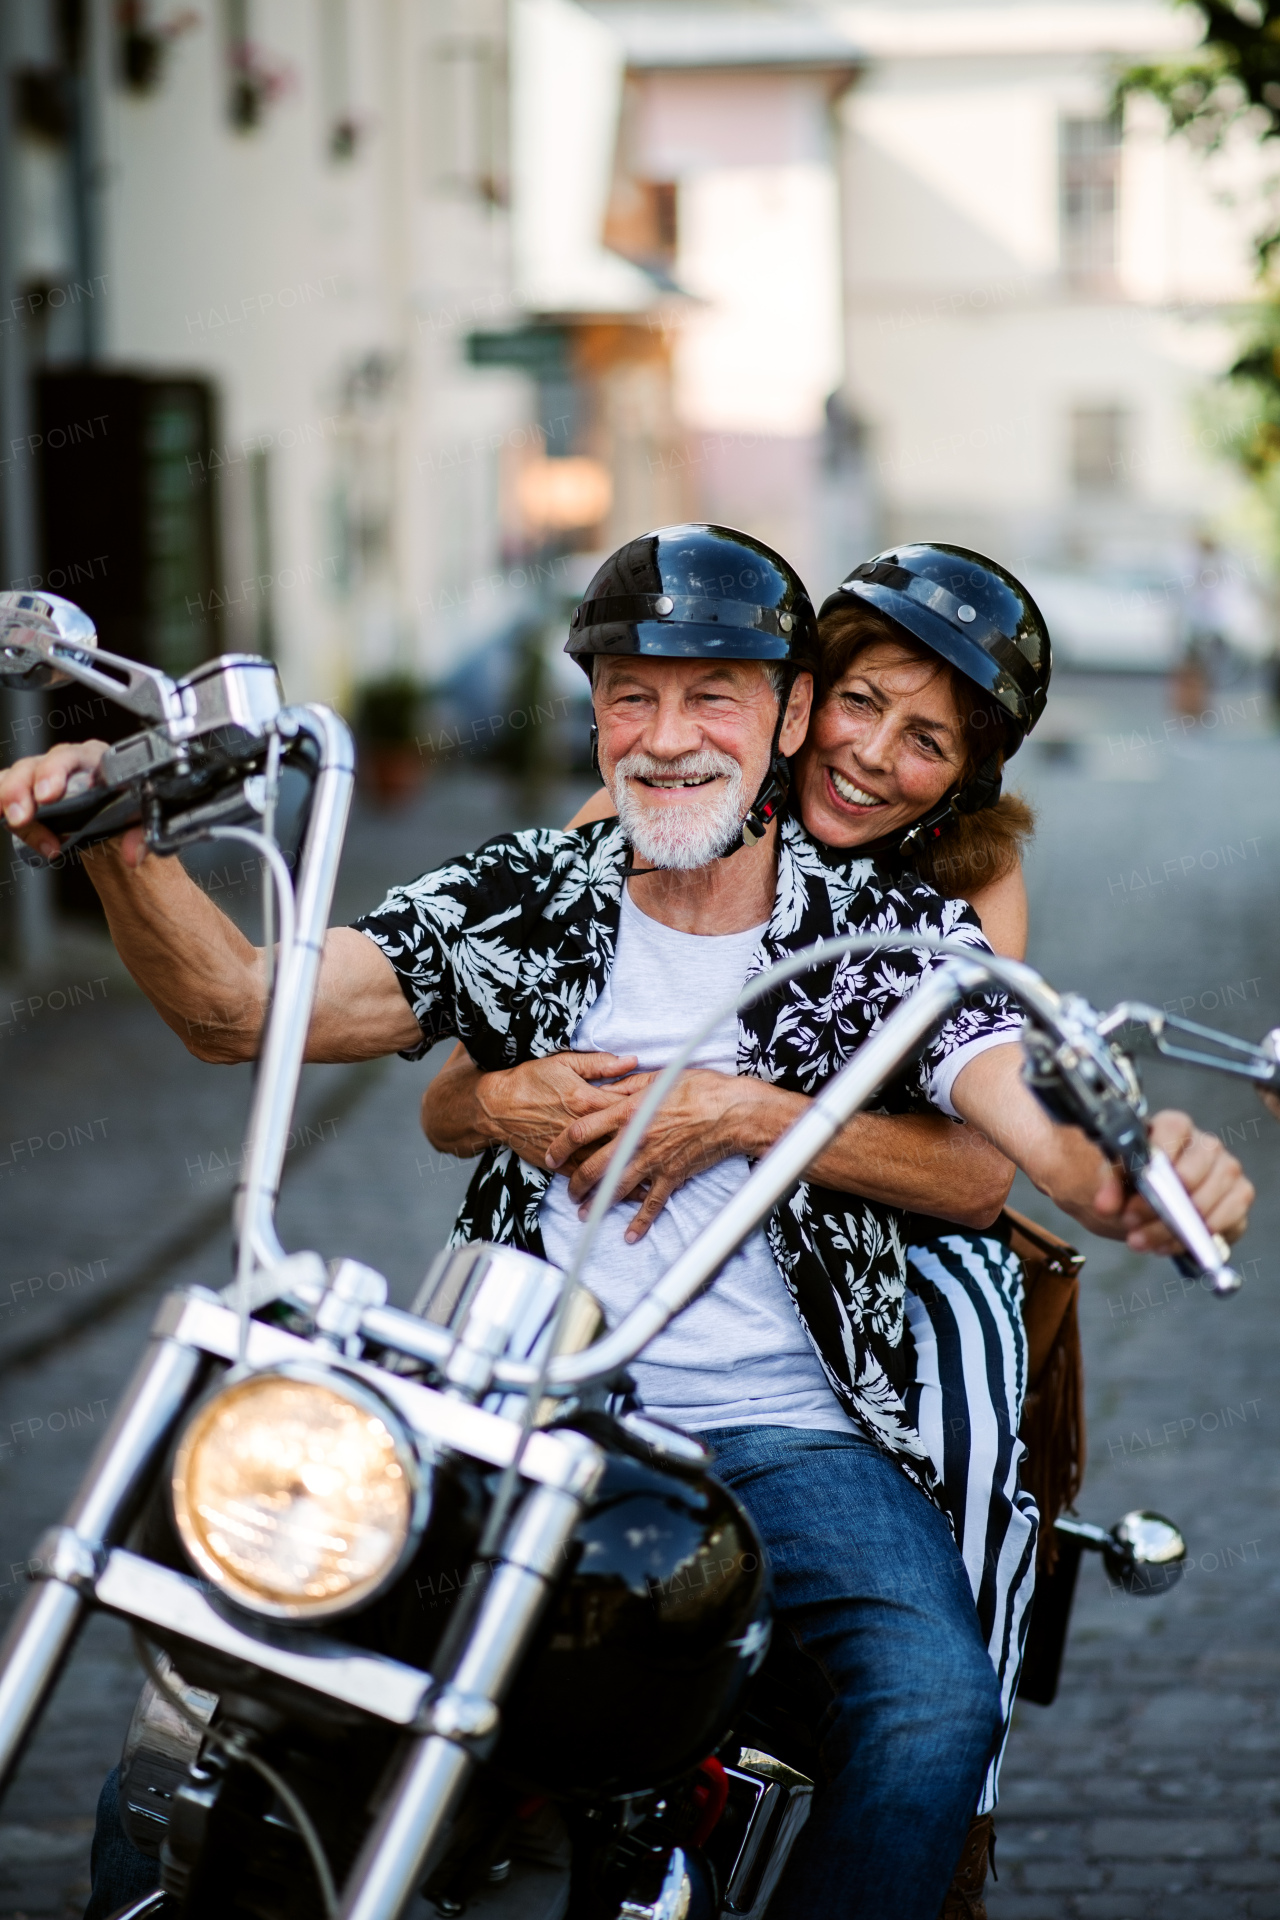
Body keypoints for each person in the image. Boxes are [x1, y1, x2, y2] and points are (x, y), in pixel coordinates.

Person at [1, 526, 1251, 1920]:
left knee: (933, 1707)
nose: (667, 739)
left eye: (713, 694)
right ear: (593, 713)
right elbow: (244, 1006)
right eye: (631, 695)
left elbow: (1017, 1109)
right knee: (213, 1704)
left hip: (791, 1430)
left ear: (783, 712)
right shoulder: (529, 895)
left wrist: (1138, 1168)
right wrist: (116, 844)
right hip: (524, 1401)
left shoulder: (887, 932)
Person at [420, 542, 1052, 1888]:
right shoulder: (646, 811)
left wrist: (746, 1113)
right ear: (796, 695)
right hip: (594, 1313)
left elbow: (983, 1152)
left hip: (896, 1235)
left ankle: (959, 1798)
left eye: (928, 739)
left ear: (971, 776)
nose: (874, 757)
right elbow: (450, 1097)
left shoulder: (959, 885)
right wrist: (515, 1099)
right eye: (859, 704)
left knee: (975, 1395)